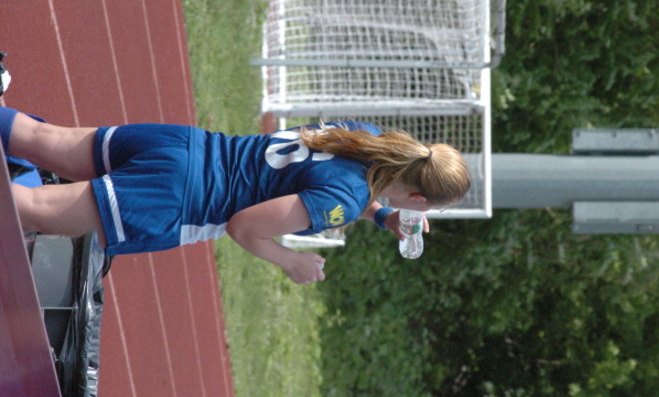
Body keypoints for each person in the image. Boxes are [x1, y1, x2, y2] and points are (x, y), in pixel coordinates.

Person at [2, 106, 470, 284]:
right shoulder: (344, 201)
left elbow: (323, 178)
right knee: (31, 210)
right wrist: (292, 262)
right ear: (419, 200)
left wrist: (382, 216)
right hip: (180, 196)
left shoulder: (364, 135)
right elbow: (245, 227)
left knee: (40, 139)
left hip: (184, 144)